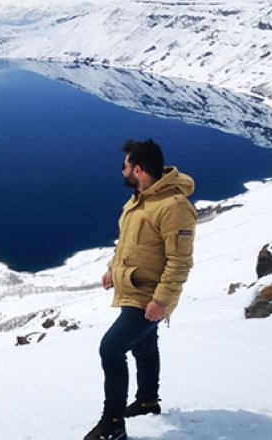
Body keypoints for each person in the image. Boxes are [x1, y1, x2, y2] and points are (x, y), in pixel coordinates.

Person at [84, 139, 197, 440]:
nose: (120, 170)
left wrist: (162, 300)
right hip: (133, 287)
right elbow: (129, 243)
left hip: (149, 295)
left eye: (124, 165)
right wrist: (112, 268)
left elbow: (180, 261)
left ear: (138, 169)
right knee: (144, 346)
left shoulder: (174, 207)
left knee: (111, 348)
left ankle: (113, 424)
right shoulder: (140, 198)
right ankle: (147, 401)